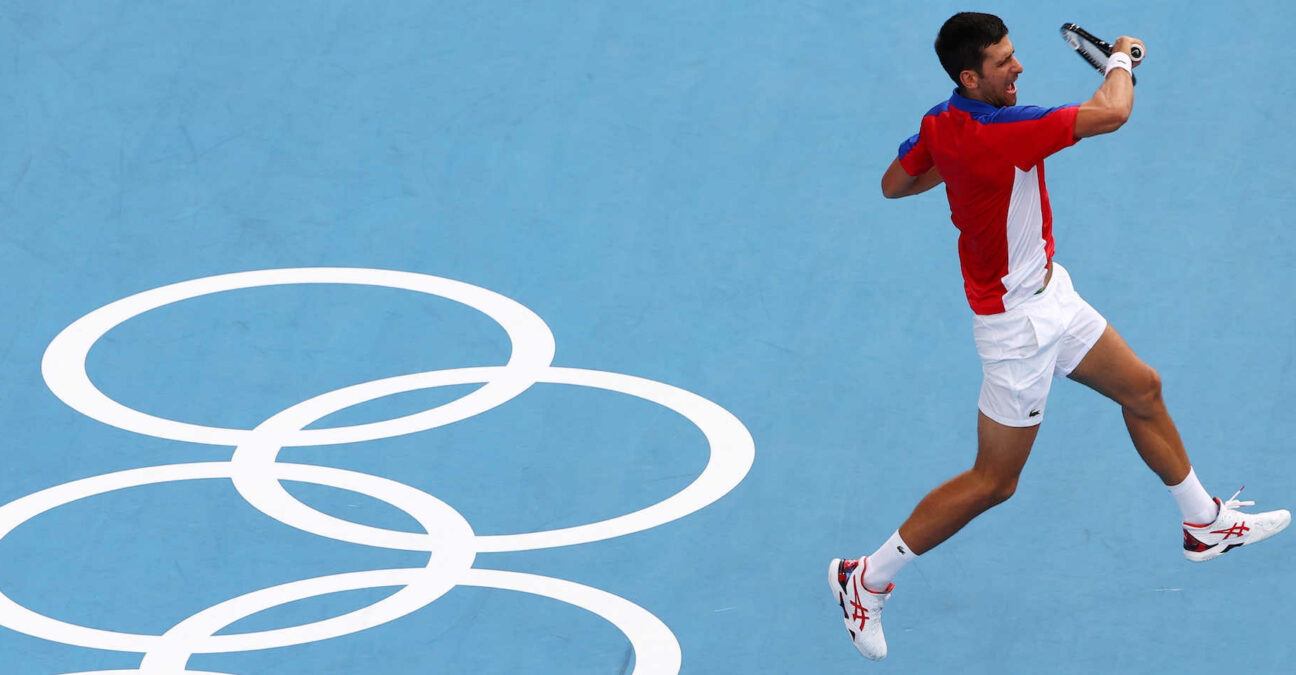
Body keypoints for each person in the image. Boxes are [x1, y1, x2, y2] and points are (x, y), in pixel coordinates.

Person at [829, 12, 1290, 661]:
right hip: (1016, 331)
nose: (1018, 67)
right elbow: (1113, 113)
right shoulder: (1007, 131)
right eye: (1003, 62)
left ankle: (1203, 522)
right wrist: (1122, 60)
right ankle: (864, 576)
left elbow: (895, 183)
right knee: (994, 480)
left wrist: (959, 170)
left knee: (1143, 389)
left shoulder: (942, 121)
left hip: (1053, 297)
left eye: (1014, 55)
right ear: (971, 75)